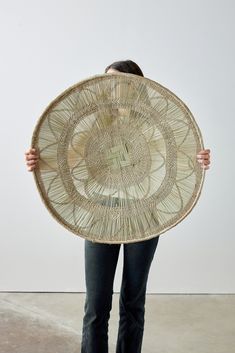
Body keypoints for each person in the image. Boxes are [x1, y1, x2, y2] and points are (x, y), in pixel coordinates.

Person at [24, 60, 211, 353]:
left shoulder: (153, 125)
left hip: (143, 215)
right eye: (106, 81)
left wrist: (199, 160)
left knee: (133, 301)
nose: (111, 88)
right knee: (96, 303)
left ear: (136, 86)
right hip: (100, 212)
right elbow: (68, 159)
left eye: (118, 82)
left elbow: (181, 155)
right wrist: (40, 161)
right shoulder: (98, 126)